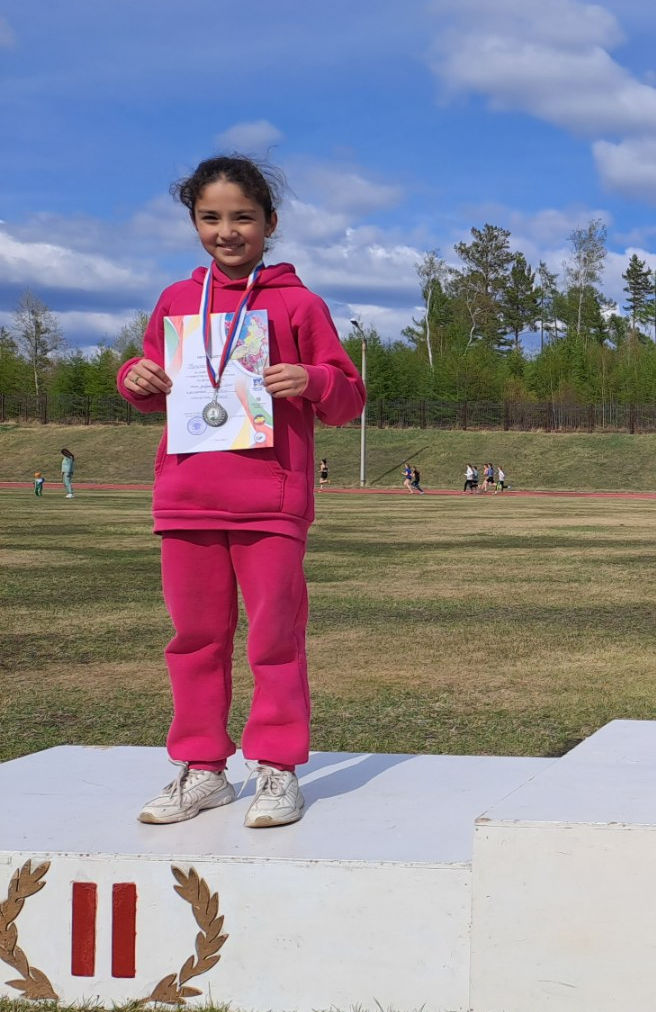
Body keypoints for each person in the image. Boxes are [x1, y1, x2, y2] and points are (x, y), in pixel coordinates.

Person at [117, 154, 366, 828]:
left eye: (242, 217)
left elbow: (347, 399)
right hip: (187, 496)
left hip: (270, 500)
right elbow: (150, 383)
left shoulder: (297, 304)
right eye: (210, 218)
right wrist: (133, 379)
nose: (226, 231)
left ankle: (278, 768)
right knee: (194, 638)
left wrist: (312, 381)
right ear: (195, 222)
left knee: (274, 639)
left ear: (270, 222)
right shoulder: (176, 301)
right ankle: (202, 770)